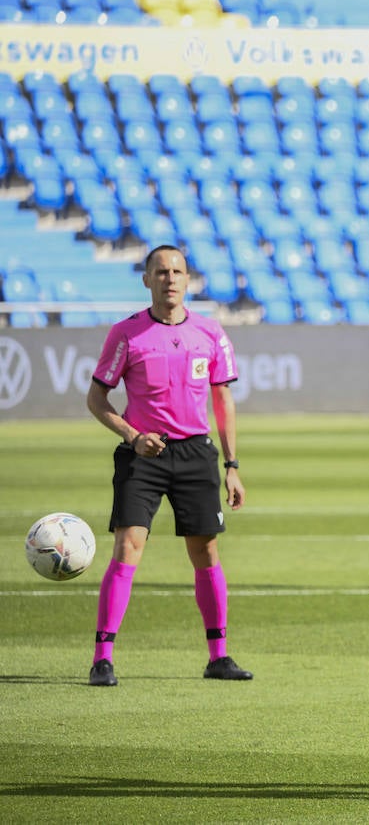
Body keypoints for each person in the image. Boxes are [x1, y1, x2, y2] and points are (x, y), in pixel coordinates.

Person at [85, 245, 251, 686]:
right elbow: (97, 398)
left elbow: (223, 400)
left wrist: (232, 465)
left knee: (206, 552)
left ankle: (218, 656)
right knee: (128, 547)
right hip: (143, 454)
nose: (170, 279)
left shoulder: (210, 333)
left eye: (177, 271)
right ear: (146, 280)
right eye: (161, 271)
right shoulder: (127, 334)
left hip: (196, 453)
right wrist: (132, 436)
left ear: (188, 279)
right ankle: (103, 658)